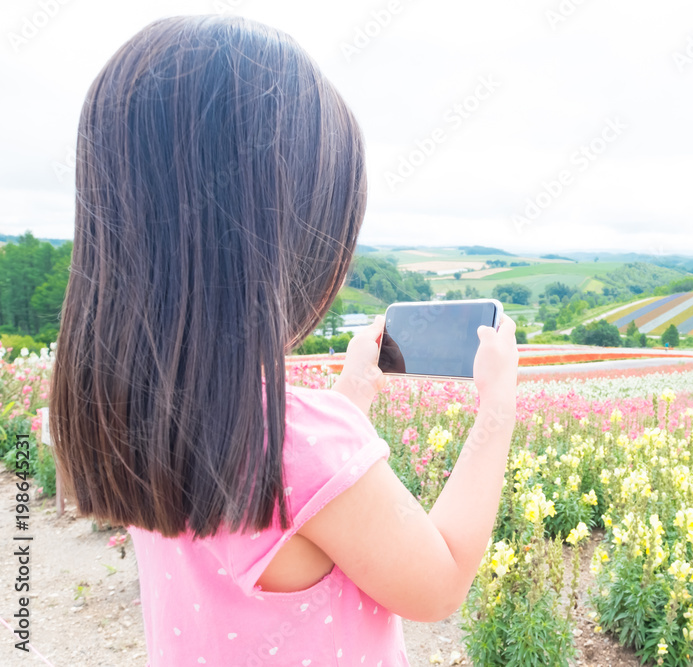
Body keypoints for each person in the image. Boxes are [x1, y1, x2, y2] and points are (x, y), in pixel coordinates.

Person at [48, 14, 518, 667]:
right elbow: (441, 582)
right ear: (285, 245)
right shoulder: (305, 446)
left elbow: (296, 495)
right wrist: (498, 408)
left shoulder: (139, 410)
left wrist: (351, 394)